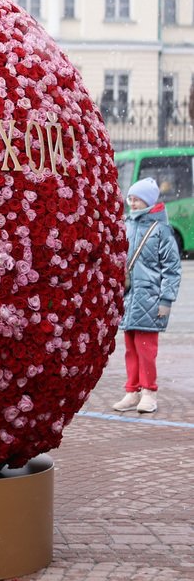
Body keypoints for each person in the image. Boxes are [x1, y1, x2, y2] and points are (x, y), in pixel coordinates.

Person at [113, 177, 182, 414]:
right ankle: (132, 391)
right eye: (130, 197)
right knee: (131, 347)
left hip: (150, 300)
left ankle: (149, 393)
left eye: (136, 198)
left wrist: (166, 300)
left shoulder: (161, 230)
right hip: (130, 299)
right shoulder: (128, 224)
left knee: (146, 349)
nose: (131, 202)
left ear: (148, 201)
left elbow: (172, 269)